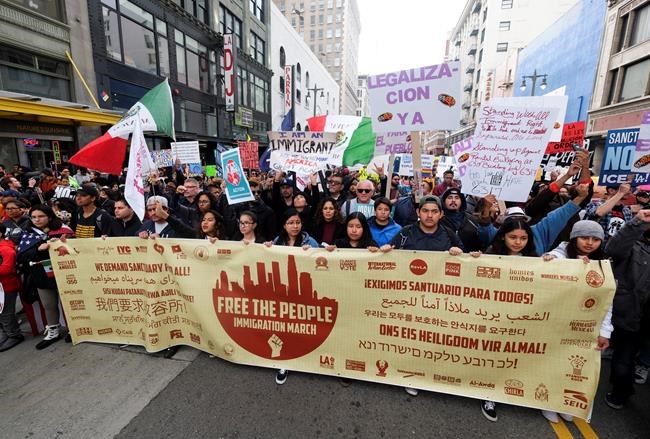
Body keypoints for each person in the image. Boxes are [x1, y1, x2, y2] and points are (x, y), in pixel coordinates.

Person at [539, 220, 611, 423]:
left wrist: (605, 331)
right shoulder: (562, 253)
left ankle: (567, 404)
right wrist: (560, 262)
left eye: (595, 239)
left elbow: (608, 300)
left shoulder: (604, 263)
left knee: (576, 370)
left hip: (586, 325)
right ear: (574, 238)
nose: (589, 243)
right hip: (558, 322)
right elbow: (550, 260)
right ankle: (547, 403)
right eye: (584, 238)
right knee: (553, 363)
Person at [478, 217, 538, 421]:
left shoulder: (536, 260)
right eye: (513, 237)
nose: (518, 242)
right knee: (491, 356)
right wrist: (473, 260)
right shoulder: (490, 256)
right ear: (503, 237)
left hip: (520, 319)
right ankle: (488, 394)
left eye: (523, 238)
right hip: (493, 318)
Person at [266, 208, 319, 385]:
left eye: (297, 222)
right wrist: (265, 248)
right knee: (285, 327)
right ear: (284, 225)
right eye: (290, 223)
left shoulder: (310, 241)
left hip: (303, 293)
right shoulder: (277, 241)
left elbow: (321, 264)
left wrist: (312, 252)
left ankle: (305, 356)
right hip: (282, 293)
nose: (295, 226)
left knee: (302, 326)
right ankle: (285, 362)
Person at [603, 209, 650, 409]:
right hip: (630, 313)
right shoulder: (634, 243)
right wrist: (637, 222)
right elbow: (613, 250)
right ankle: (621, 391)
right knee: (624, 359)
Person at [18, 205, 74, 349]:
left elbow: (75, 250)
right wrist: (38, 249)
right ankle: (53, 331)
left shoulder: (63, 230)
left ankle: (74, 329)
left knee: (70, 302)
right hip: (41, 275)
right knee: (48, 304)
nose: (37, 220)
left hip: (65, 272)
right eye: (33, 217)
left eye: (41, 216)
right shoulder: (28, 234)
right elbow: (21, 257)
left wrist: (64, 242)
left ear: (49, 217)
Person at [389, 195, 463, 253]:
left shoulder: (449, 234)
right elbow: (390, 253)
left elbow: (464, 257)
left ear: (441, 214)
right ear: (418, 212)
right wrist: (386, 249)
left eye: (434, 211)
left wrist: (458, 252)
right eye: (425, 211)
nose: (429, 215)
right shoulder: (406, 233)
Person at [0, 223, 23, 351]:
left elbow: (6, 269)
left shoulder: (5, 249)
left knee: (6, 313)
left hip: (6, 286)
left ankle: (14, 335)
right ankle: (6, 333)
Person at [439, 188, 482, 252]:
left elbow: (481, 241)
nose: (453, 200)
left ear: (462, 201)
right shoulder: (439, 220)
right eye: (450, 197)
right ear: (443, 201)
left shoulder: (471, 219)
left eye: (457, 198)